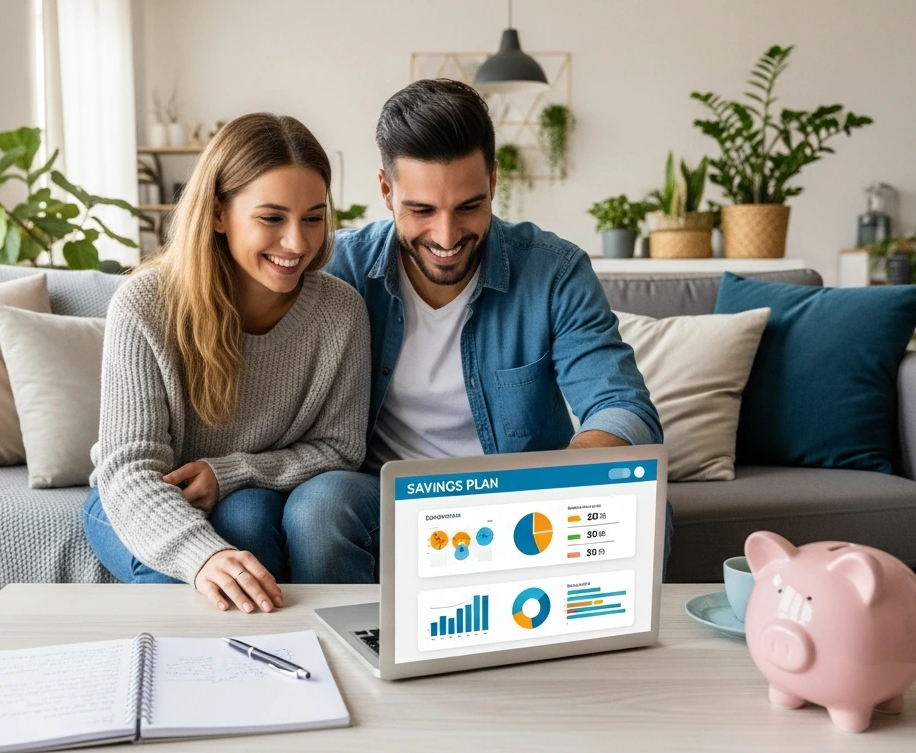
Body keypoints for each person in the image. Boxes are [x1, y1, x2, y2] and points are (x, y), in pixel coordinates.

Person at [299, 78, 673, 572]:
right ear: (387, 190)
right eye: (421, 210)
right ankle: (354, 648)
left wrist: (563, 483)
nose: (447, 236)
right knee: (319, 506)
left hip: (522, 502)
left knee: (647, 510)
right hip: (388, 500)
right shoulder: (340, 267)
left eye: (469, 206)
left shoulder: (554, 270)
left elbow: (622, 408)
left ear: (493, 181)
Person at [83, 113, 375, 614]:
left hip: (251, 492)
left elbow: (340, 448)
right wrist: (203, 558)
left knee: (250, 520)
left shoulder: (340, 312)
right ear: (219, 212)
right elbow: (130, 472)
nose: (298, 243)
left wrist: (233, 471)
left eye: (312, 217)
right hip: (142, 498)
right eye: (272, 218)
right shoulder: (144, 306)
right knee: (202, 577)